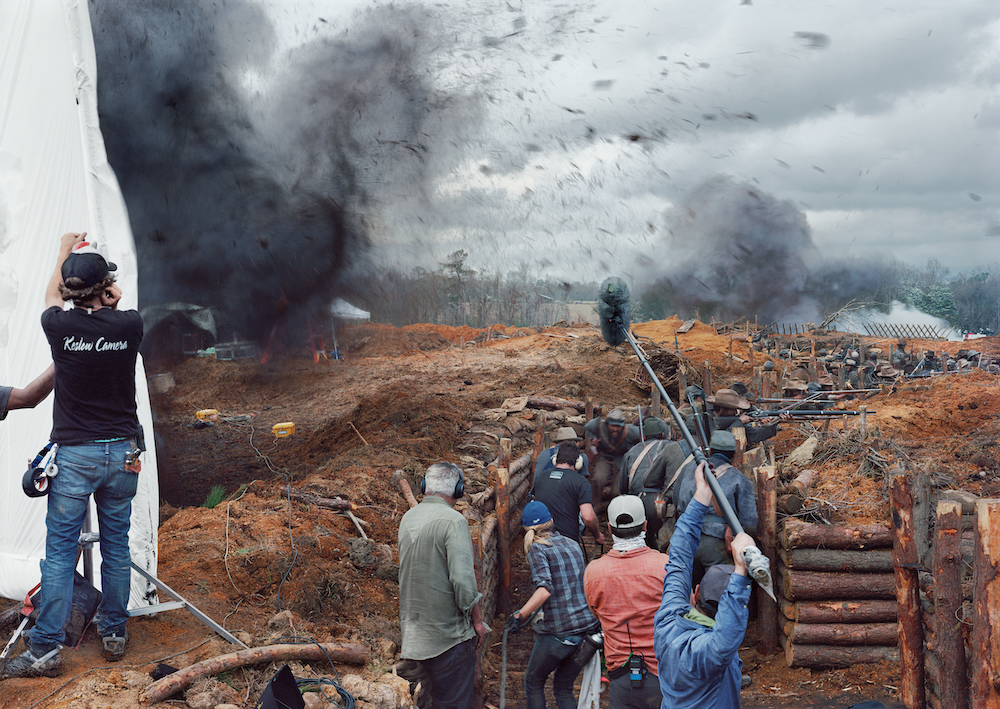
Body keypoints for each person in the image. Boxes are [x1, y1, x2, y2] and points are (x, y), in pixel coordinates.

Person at [3, 233, 145, 680]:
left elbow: (51, 296)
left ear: (69, 294)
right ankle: (115, 630)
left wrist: (61, 251)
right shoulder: (130, 325)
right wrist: (111, 293)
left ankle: (44, 650)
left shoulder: (58, 327)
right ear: (107, 288)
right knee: (117, 546)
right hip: (123, 454)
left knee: (60, 556)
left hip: (76, 458)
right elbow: (115, 304)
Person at [653, 461, 755, 709]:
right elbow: (725, 639)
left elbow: (679, 558)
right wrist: (740, 570)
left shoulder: (667, 617)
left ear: (696, 592)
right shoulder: (707, 652)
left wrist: (701, 497)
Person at [398, 462, 489, 708]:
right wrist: (478, 621)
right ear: (458, 489)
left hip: (414, 637)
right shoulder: (454, 521)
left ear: (425, 486)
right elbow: (463, 582)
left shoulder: (407, 518)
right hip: (449, 639)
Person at [509, 500, 600, 709]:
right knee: (562, 687)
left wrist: (519, 616)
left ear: (526, 529)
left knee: (533, 681)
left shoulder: (537, 548)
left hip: (560, 632)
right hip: (585, 631)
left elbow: (544, 590)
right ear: (551, 520)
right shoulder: (572, 543)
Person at [584, 495, 668, 708]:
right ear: (646, 526)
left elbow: (596, 612)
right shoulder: (665, 566)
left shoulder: (594, 572)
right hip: (663, 672)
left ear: (610, 529)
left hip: (620, 674)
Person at [672, 430, 756, 583]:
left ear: (710, 450)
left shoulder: (689, 468)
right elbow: (749, 523)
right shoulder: (740, 479)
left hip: (685, 537)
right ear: (734, 453)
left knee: (685, 591)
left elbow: (676, 500)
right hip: (717, 543)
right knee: (715, 595)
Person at [620, 418, 684, 551]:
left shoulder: (630, 452)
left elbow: (623, 488)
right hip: (660, 503)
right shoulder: (670, 446)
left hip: (636, 502)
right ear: (662, 435)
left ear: (643, 436)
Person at [532, 442, 604, 546]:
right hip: (568, 542)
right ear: (578, 462)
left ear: (555, 459)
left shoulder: (540, 478)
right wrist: (597, 536)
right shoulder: (581, 482)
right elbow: (588, 517)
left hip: (541, 540)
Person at [584, 409, 641, 514]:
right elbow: (587, 427)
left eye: (618, 426)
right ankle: (595, 506)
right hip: (604, 457)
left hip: (622, 460)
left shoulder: (631, 431)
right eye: (612, 426)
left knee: (617, 490)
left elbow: (643, 436)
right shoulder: (599, 426)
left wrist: (634, 450)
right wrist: (593, 439)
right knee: (597, 479)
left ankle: (616, 511)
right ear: (607, 424)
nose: (615, 429)